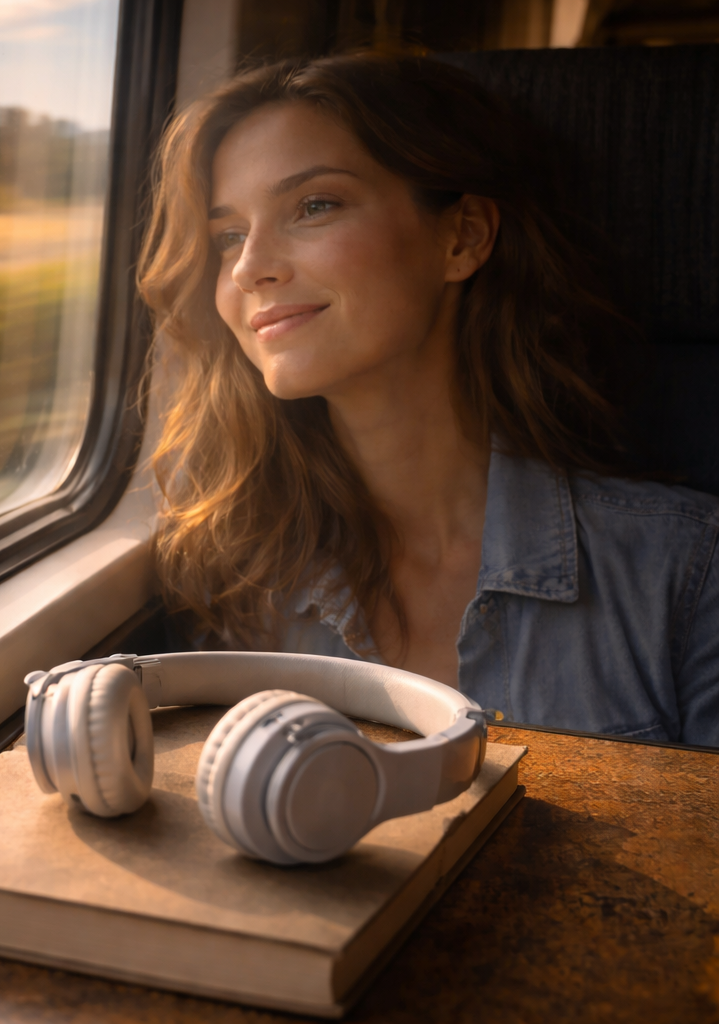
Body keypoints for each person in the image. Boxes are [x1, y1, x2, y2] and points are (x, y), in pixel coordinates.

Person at [137, 52, 719, 747]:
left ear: (463, 237)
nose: (251, 266)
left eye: (313, 206)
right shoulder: (235, 575)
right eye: (228, 236)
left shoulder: (686, 573)